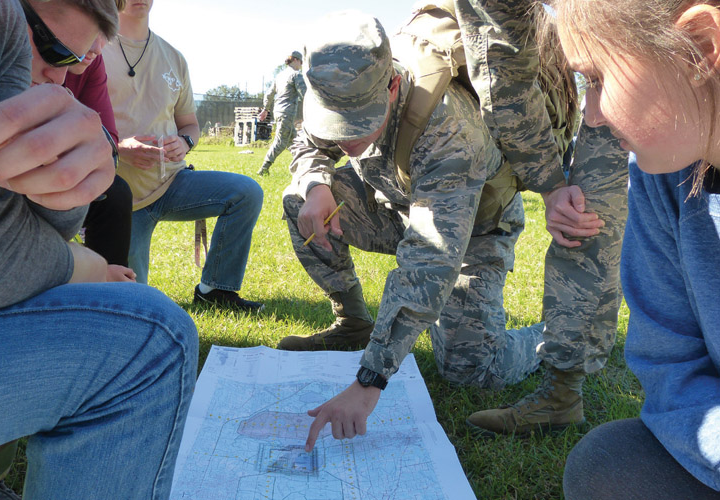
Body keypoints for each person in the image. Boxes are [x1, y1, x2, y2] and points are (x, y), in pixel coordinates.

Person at [274, 10, 605, 450]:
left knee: (471, 369)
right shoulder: (338, 84)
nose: (344, 141)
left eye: (356, 124)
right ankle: (351, 321)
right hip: (395, 206)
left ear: (392, 85)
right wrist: (316, 184)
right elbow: (308, 142)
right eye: (336, 123)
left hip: (473, 233)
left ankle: (545, 339)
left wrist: (370, 380)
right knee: (298, 201)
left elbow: (430, 260)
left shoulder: (449, 129)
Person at [0, 1, 198, 500]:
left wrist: (87, 157)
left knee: (109, 194)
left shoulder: (9, 29)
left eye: (77, 61)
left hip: (163, 179)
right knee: (152, 341)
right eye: (52, 49)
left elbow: (96, 143)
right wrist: (88, 265)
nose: (58, 75)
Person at [544, 0, 720, 497]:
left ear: (699, 49)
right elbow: (671, 362)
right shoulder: (662, 178)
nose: (592, 115)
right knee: (609, 465)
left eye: (597, 79)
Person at [450, 0, 630, 437]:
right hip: (613, 64)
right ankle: (562, 394)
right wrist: (551, 183)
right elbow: (503, 72)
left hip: (679, 46)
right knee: (582, 219)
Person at [102, 0, 264, 311]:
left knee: (246, 193)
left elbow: (189, 123)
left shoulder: (173, 57)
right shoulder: (94, 47)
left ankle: (215, 290)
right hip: (117, 196)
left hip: (172, 182)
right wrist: (119, 148)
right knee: (133, 305)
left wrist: (184, 141)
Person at [65, 29, 137, 283]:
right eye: (90, 28)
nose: (98, 46)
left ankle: (110, 300)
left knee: (115, 192)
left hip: (67, 170)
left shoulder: (92, 62)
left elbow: (107, 141)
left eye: (107, 32)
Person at [256, 50, 307, 176]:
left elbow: (269, 94)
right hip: (287, 112)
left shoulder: (279, 76)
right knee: (280, 141)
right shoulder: (296, 75)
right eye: (301, 62)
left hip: (278, 111)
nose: (301, 65)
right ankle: (264, 168)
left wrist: (265, 109)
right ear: (295, 60)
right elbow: (305, 94)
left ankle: (303, 166)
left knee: (295, 141)